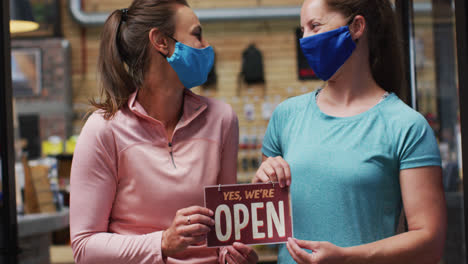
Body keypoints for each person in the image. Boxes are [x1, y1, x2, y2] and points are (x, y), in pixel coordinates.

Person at [254, 0, 447, 263]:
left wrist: (348, 257)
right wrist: (259, 189)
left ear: (356, 27)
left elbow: (430, 242)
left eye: (315, 26)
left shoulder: (405, 126)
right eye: (302, 31)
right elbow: (267, 228)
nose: (305, 40)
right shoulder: (286, 116)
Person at [69, 0, 258, 263]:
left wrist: (234, 254)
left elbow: (225, 234)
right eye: (197, 34)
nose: (206, 46)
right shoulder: (104, 129)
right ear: (161, 41)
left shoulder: (222, 119)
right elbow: (84, 247)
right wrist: (162, 242)